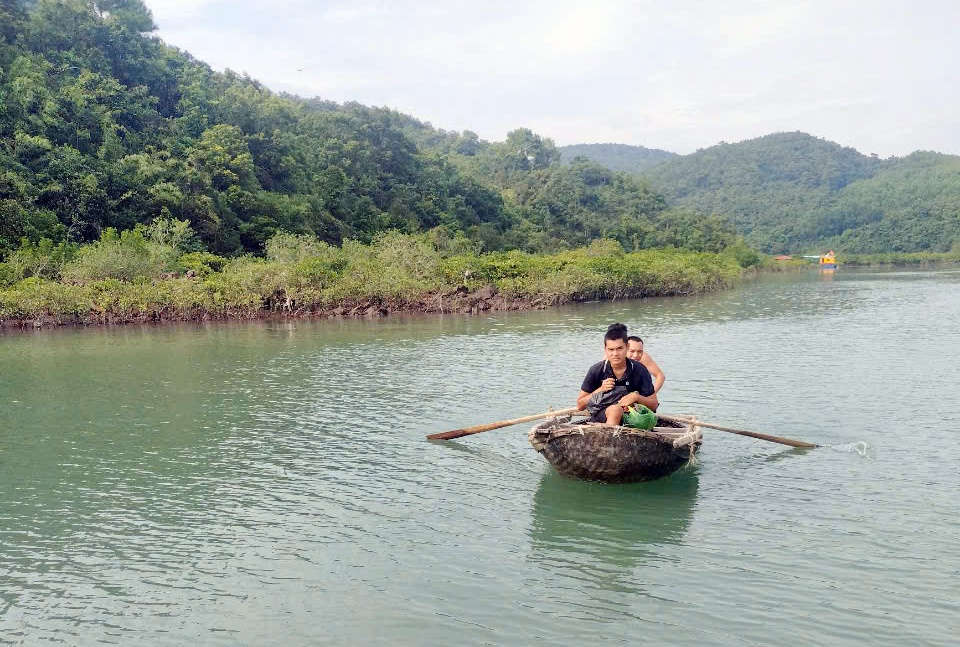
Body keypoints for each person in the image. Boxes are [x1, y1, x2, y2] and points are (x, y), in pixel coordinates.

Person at [577, 323, 658, 426]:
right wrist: (600, 390)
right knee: (615, 410)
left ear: (627, 347)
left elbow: (654, 404)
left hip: (633, 418)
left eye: (619, 348)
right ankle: (611, 438)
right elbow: (580, 405)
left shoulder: (640, 370)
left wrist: (636, 397)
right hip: (603, 416)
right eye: (611, 349)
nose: (615, 354)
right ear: (605, 349)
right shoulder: (596, 370)